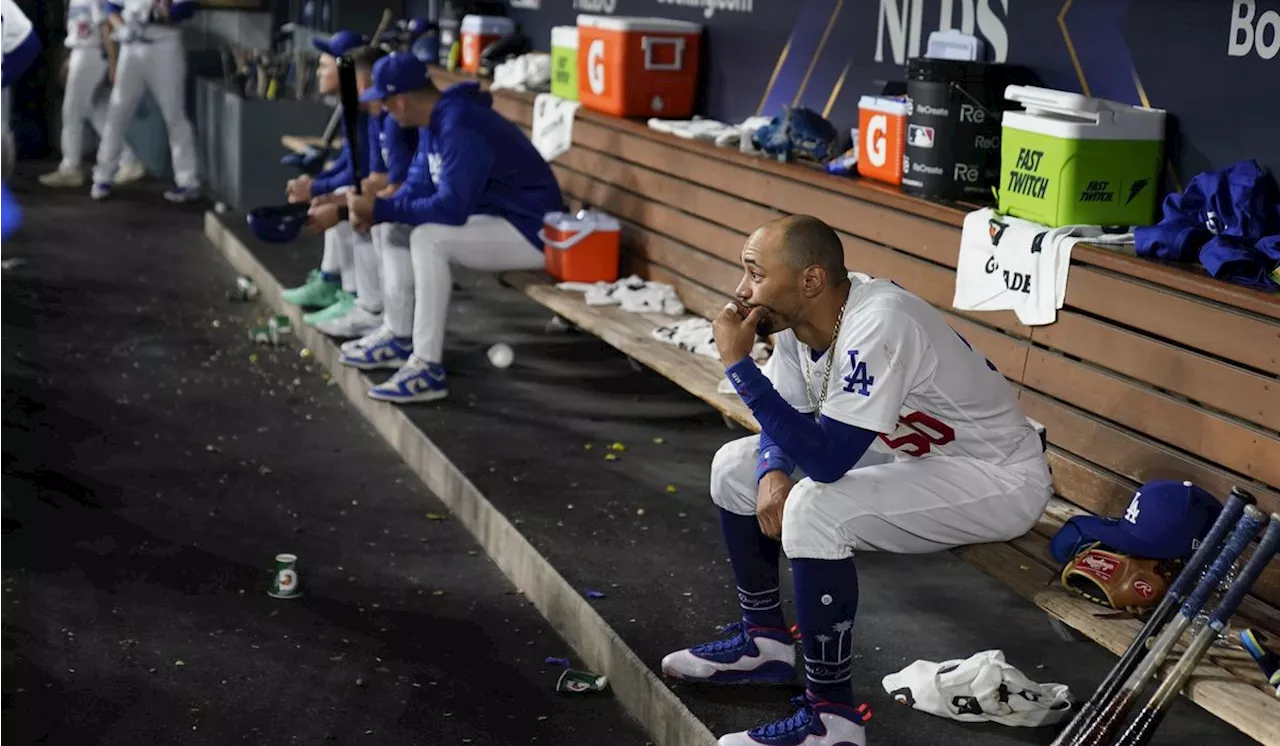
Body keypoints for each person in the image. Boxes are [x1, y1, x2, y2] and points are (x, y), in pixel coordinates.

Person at [660, 215, 1053, 746]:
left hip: (994, 476)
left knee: (814, 506)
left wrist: (737, 362)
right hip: (910, 458)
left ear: (811, 280)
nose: (742, 291)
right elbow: (792, 415)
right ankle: (765, 645)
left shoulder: (879, 321)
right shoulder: (806, 320)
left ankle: (832, 721)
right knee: (737, 466)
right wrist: (772, 468)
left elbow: (826, 464)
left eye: (754, 273)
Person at [342, 52, 562, 403]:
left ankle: (426, 367)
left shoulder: (460, 122)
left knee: (430, 239)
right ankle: (398, 336)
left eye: (384, 102)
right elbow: (417, 185)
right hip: (500, 223)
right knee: (394, 225)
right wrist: (379, 210)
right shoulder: (437, 120)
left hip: (536, 232)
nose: (384, 110)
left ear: (398, 102)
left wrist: (380, 206)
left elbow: (451, 209)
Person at [278, 29, 370, 326]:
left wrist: (318, 185)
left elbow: (361, 173)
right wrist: (317, 184)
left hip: (390, 194)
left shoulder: (366, 109)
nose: (319, 72)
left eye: (324, 65)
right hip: (375, 186)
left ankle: (356, 298)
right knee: (335, 193)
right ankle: (331, 281)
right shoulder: (350, 105)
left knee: (345, 198)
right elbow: (348, 162)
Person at [90, 0, 198, 202]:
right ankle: (103, 176)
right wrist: (120, 27)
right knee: (117, 113)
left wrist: (156, 13)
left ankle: (188, 181)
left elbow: (187, 8)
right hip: (131, 46)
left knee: (174, 114)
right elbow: (111, 7)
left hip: (165, 45)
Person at [40, 0, 146, 188]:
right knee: (95, 111)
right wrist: (71, 56)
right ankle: (128, 159)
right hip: (82, 51)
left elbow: (106, 25)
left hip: (91, 53)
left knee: (72, 112)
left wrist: (113, 63)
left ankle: (70, 168)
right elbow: (79, 29)